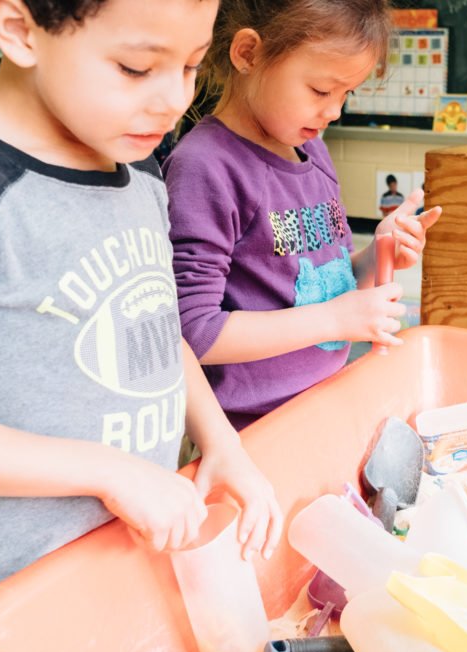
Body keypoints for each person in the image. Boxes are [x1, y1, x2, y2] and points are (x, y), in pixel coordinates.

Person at [0, 0, 281, 637]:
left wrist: (223, 442)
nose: (173, 101)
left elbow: (159, 331)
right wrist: (108, 470)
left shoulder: (140, 175)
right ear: (19, 28)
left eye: (191, 66)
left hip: (129, 568)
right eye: (136, 68)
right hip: (18, 604)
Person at [164, 0, 442, 429]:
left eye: (346, 94)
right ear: (248, 54)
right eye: (320, 91)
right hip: (253, 428)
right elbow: (193, 332)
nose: (335, 111)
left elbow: (323, 284)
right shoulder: (205, 167)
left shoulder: (311, 151)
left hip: (325, 399)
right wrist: (336, 319)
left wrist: (378, 254)